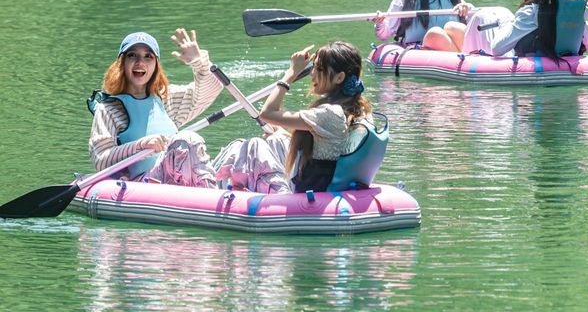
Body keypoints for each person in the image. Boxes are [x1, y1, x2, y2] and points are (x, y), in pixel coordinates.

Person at [211, 41, 387, 194]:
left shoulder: (330, 113)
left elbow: (267, 113)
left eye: (319, 69)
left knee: (253, 146)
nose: (312, 74)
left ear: (339, 77)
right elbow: (330, 146)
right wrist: (281, 132)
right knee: (276, 139)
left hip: (311, 193)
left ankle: (207, 183)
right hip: (327, 183)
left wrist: (291, 73)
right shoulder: (360, 109)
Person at [88, 28, 223, 183]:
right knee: (187, 138)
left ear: (156, 65)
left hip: (178, 176)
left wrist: (198, 62)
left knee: (248, 147)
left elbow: (213, 89)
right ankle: (207, 193)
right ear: (122, 63)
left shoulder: (166, 98)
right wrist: (140, 145)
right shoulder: (109, 109)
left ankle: (216, 194)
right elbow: (100, 160)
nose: (140, 63)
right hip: (142, 184)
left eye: (148, 56)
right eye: (132, 55)